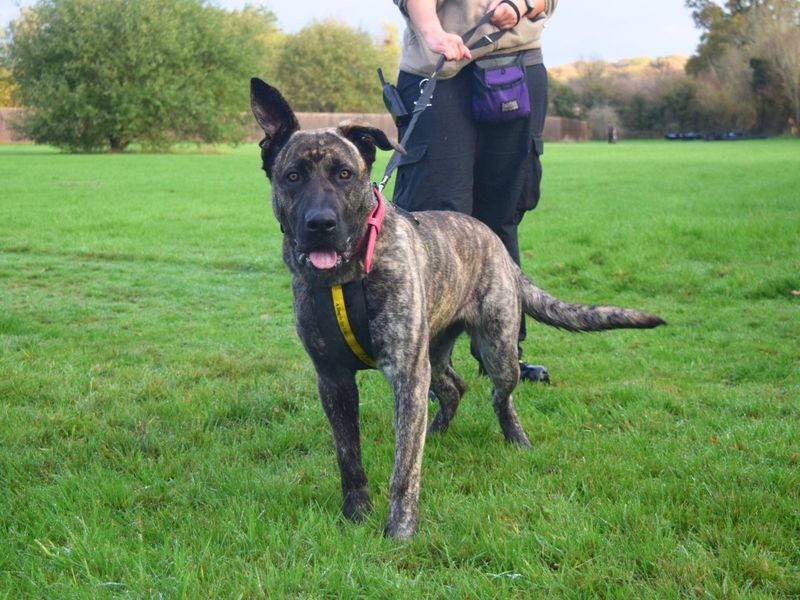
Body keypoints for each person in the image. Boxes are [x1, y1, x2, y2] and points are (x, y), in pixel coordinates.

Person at [391, 0, 557, 383]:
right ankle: (423, 364)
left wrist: (522, 5)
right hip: (440, 69)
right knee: (434, 221)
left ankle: (503, 355)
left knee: (502, 216)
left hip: (518, 61)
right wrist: (434, 33)